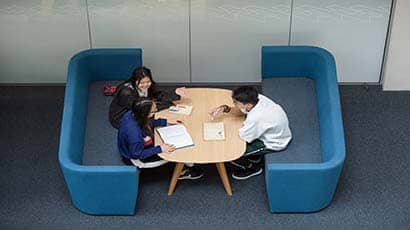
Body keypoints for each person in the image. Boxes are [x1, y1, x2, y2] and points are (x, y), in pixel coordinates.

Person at [209, 86, 292, 180]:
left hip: (273, 142)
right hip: (270, 131)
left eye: (236, 102)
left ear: (248, 105)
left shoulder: (256, 118)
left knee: (232, 152)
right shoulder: (258, 98)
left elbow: (243, 137)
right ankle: (255, 157)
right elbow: (241, 111)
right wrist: (225, 108)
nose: (234, 104)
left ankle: (252, 168)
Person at [118, 99, 203, 179]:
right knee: (180, 150)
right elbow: (136, 154)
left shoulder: (133, 113)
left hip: (140, 145)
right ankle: (189, 170)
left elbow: (147, 122)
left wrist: (165, 122)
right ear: (145, 113)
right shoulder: (135, 134)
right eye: (153, 111)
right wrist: (160, 149)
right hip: (138, 159)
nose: (156, 111)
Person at [109, 66, 188, 129]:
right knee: (149, 124)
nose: (146, 85)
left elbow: (158, 94)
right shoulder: (126, 93)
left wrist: (175, 93)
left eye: (148, 82)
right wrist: (167, 105)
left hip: (139, 109)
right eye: (142, 83)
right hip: (122, 117)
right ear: (134, 81)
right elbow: (141, 110)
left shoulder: (148, 85)